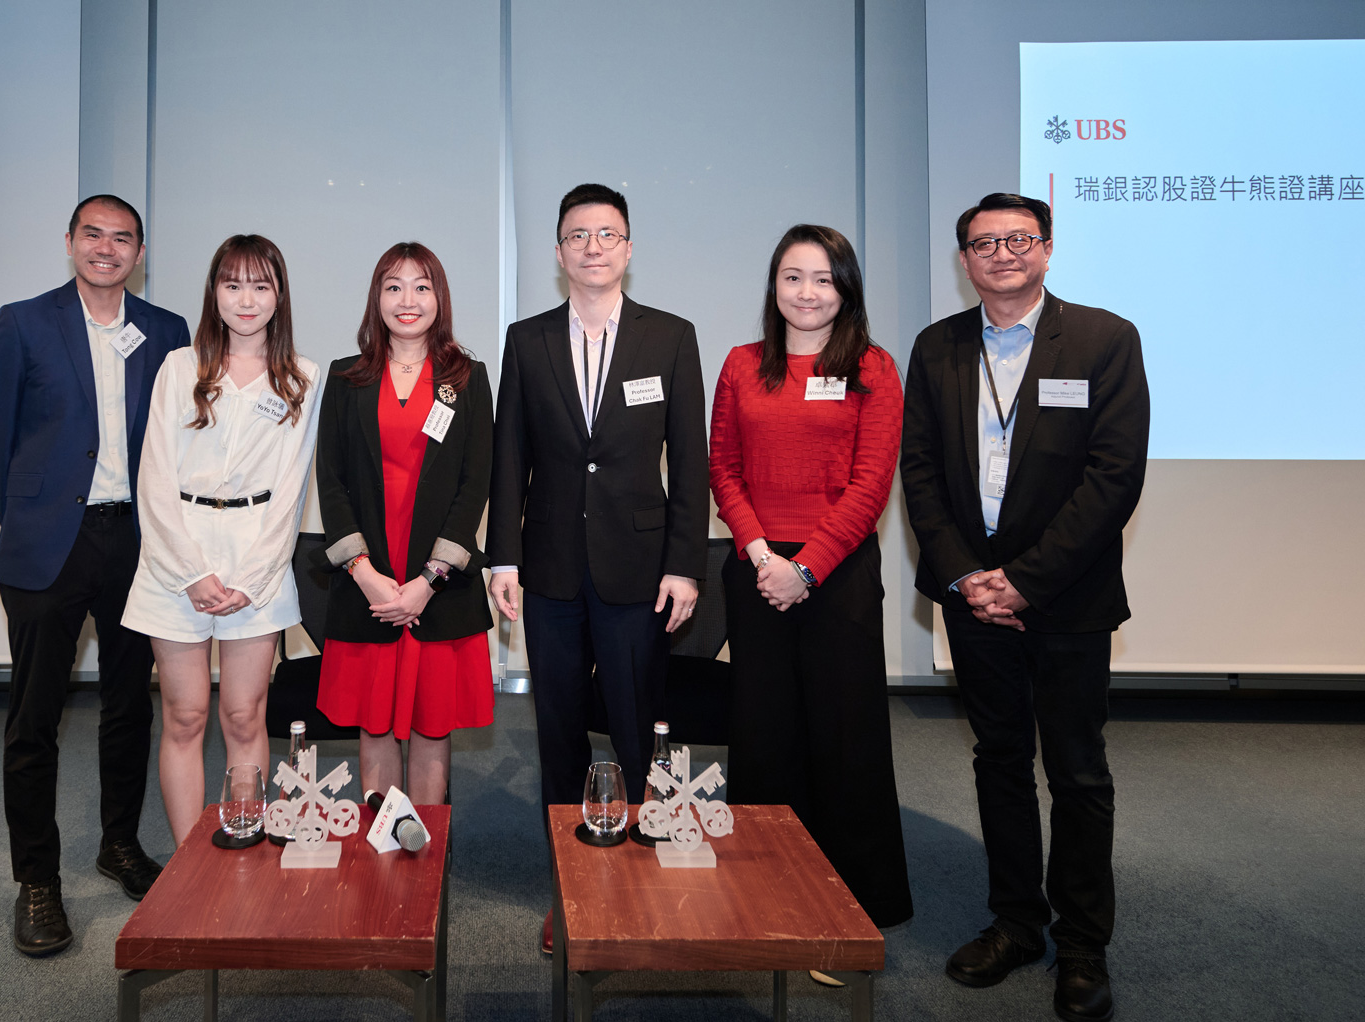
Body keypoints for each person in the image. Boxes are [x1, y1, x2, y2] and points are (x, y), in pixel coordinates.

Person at [901, 193, 1149, 1022]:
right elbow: (922, 475)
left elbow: (1114, 477)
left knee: (1077, 772)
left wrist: (1027, 580)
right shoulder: (937, 347)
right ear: (963, 259)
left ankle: (1083, 945)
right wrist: (969, 578)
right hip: (973, 598)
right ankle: (1016, 923)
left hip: (1067, 599)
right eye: (984, 243)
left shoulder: (1105, 339)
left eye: (1017, 239)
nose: (1001, 254)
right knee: (999, 760)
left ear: (1046, 247)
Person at [487, 183, 708, 954]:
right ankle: (569, 884)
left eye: (606, 233)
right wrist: (502, 555)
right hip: (546, 567)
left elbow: (691, 457)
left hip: (638, 567)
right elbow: (509, 452)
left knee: (633, 725)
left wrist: (685, 564)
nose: (591, 246)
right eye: (576, 234)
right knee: (557, 732)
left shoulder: (670, 337)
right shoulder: (528, 339)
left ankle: (639, 873)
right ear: (557, 251)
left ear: (628, 247)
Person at [0, 194, 189, 957]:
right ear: (69, 242)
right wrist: (30, 514)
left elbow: (176, 439)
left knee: (130, 706)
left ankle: (119, 844)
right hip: (47, 546)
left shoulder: (166, 331)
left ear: (139, 251)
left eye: (122, 237)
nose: (106, 248)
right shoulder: (24, 322)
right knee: (35, 719)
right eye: (92, 234)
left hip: (136, 541)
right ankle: (36, 881)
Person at [708, 224, 914, 934]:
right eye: (792, 277)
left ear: (846, 288)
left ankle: (852, 906)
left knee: (843, 735)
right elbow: (723, 470)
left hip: (838, 572)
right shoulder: (740, 365)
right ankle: (765, 898)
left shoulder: (875, 369)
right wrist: (763, 555)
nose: (807, 292)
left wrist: (806, 567)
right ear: (774, 287)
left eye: (823, 278)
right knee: (764, 734)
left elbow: (871, 484)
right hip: (757, 568)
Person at [122, 234, 321, 845]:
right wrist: (192, 573)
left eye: (261, 285)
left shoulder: (302, 379)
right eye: (233, 284)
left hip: (255, 563)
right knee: (184, 716)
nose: (246, 299)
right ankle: (188, 864)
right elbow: (153, 476)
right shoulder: (181, 366)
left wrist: (249, 579)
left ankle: (241, 840)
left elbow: (290, 492)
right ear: (214, 291)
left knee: (243, 714)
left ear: (280, 295)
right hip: (173, 557)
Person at [314, 242, 494, 806]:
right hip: (369, 582)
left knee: (430, 726)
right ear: (377, 298)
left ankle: (425, 862)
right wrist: (367, 575)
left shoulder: (468, 377)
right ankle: (381, 857)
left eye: (422, 286)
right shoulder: (347, 379)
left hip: (435, 583)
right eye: (394, 286)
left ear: (439, 297)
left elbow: (474, 485)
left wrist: (426, 581)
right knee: (373, 724)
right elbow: (332, 481)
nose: (408, 299)